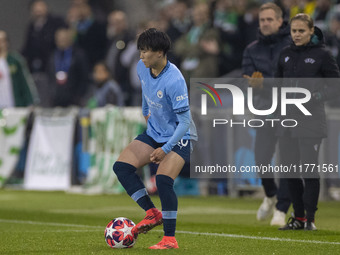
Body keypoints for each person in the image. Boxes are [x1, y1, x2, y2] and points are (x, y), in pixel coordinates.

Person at [112, 28, 197, 249]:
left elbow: (185, 122)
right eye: (140, 50)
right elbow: (146, 89)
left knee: (163, 180)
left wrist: (166, 148)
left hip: (180, 136)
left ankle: (170, 238)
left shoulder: (175, 79)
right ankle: (152, 213)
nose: (141, 56)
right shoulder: (143, 67)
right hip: (155, 132)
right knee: (121, 167)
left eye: (146, 51)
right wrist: (145, 108)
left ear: (160, 52)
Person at [276, 13, 340, 230]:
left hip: (311, 121)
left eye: (301, 31)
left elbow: (335, 86)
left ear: (311, 31)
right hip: (287, 121)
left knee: (308, 169)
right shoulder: (285, 54)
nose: (297, 35)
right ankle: (299, 217)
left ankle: (310, 218)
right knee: (290, 171)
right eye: (294, 31)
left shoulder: (322, 54)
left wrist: (316, 97)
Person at [242, 3, 291, 226]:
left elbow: (291, 81)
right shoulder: (252, 49)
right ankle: (270, 194)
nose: (265, 23)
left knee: (289, 160)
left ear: (280, 21)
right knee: (261, 158)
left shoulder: (292, 44)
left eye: (269, 19)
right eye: (262, 20)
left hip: (292, 109)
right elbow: (248, 79)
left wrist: (264, 85)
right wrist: (257, 85)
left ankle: (281, 209)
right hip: (265, 110)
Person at [47, 27, 90, 107]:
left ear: (70, 39)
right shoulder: (53, 56)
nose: (61, 41)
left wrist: (79, 96)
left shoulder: (78, 55)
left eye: (64, 38)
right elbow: (49, 76)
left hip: (74, 99)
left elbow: (84, 77)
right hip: (56, 98)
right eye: (59, 38)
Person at [0, 30, 38, 108]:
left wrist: (31, 102)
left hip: (14, 105)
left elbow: (25, 81)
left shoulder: (15, 60)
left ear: (7, 42)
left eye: (2, 41)